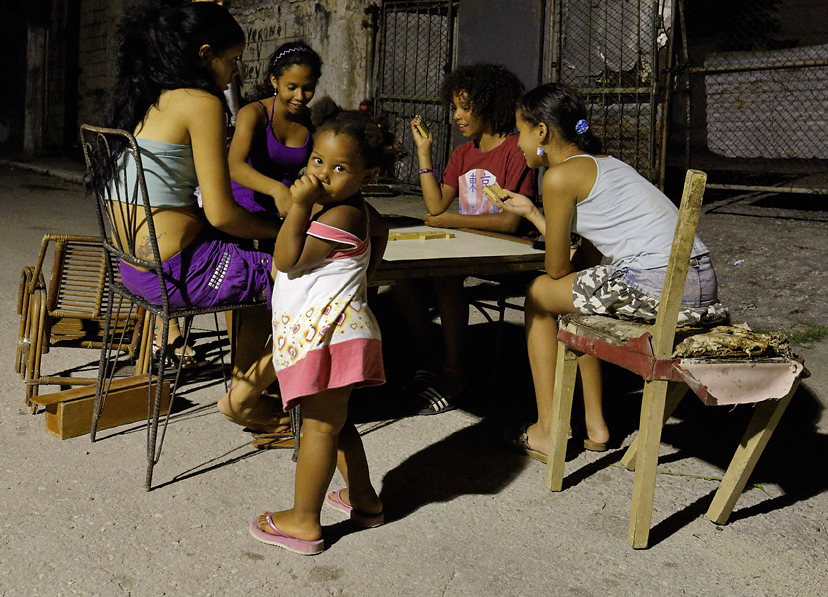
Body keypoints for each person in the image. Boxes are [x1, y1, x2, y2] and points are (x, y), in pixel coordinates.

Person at [492, 82, 729, 461]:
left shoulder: (557, 177)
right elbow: (585, 265)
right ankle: (596, 425)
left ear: (541, 132)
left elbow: (556, 269)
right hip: (698, 280)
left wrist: (540, 219)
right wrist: (533, 213)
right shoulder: (609, 165)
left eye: (519, 132)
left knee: (538, 293)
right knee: (579, 301)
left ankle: (548, 430)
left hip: (658, 283)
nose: (517, 143)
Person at [97, 0, 287, 432]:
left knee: (258, 262)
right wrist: (282, 230)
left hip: (133, 268)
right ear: (205, 55)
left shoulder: (148, 97)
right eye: (233, 59)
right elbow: (221, 213)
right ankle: (243, 398)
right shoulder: (201, 101)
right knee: (307, 279)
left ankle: (245, 378)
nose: (236, 72)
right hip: (176, 273)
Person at [249, 105, 393, 555]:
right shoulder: (354, 212)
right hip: (334, 334)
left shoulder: (339, 216)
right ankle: (364, 501)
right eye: (317, 161)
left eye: (339, 168)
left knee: (319, 429)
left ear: (366, 175)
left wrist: (296, 207)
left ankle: (303, 521)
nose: (323, 174)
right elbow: (382, 232)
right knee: (336, 423)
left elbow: (287, 259)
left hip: (330, 339)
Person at [398, 63, 537, 414]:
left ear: (491, 106)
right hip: (472, 245)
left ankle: (454, 373)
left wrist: (449, 221)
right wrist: (424, 152)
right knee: (401, 275)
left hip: (512, 253)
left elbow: (509, 222)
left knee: (445, 276)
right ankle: (432, 354)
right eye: (455, 107)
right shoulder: (463, 153)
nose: (457, 116)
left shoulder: (515, 151)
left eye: (465, 107)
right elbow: (434, 204)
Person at [228, 42, 321, 218]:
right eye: (291, 88)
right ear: (274, 81)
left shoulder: (313, 121)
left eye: (308, 88)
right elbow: (235, 166)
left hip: (287, 209)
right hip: (244, 207)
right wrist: (277, 190)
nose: (300, 97)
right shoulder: (254, 114)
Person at [187, 0, 242, 118]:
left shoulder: (228, 32)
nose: (220, 9)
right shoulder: (178, 33)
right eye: (213, 1)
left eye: (227, 3)